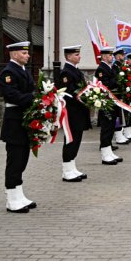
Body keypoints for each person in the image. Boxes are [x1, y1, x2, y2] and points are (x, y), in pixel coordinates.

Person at [0, 41, 38, 213]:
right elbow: (12, 95)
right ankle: (11, 199)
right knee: (14, 161)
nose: (27, 55)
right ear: (14, 54)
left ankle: (19, 194)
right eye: (24, 53)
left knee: (22, 159)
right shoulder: (8, 72)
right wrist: (33, 98)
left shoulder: (23, 70)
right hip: (14, 122)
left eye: (27, 53)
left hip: (25, 121)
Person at [54, 45, 89, 182]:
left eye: (78, 54)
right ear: (68, 57)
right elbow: (67, 92)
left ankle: (72, 167)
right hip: (72, 111)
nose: (79, 56)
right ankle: (66, 170)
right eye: (76, 54)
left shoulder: (75, 70)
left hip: (79, 111)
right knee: (70, 139)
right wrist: (82, 96)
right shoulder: (66, 73)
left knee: (77, 139)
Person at [95, 46, 123, 165]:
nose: (112, 57)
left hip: (113, 101)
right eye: (110, 55)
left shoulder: (109, 68)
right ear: (104, 56)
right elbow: (105, 84)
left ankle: (109, 151)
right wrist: (117, 80)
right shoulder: (101, 69)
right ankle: (105, 154)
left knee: (111, 127)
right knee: (106, 128)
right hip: (106, 102)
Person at [111, 47, 131, 146]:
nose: (124, 57)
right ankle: (118, 135)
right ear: (118, 56)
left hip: (121, 94)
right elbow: (117, 80)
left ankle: (120, 133)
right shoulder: (115, 66)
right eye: (123, 55)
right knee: (118, 116)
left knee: (121, 114)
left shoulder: (121, 66)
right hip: (116, 95)